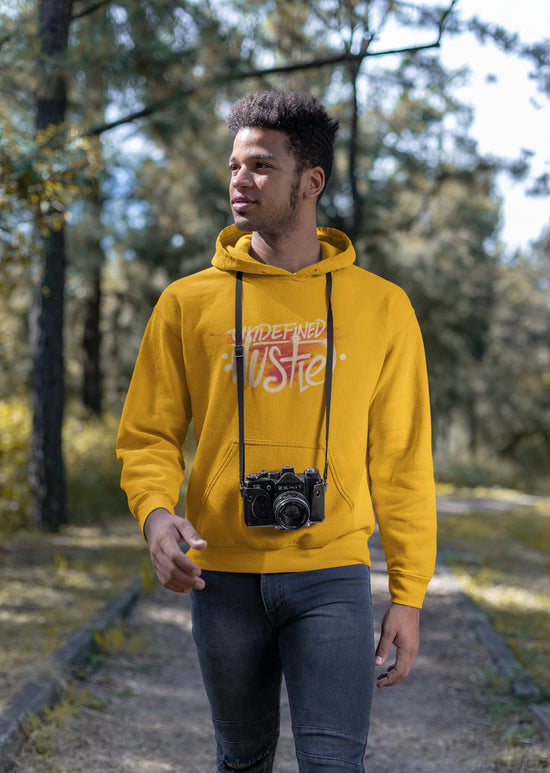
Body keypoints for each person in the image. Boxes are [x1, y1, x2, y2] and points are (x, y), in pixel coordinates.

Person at [116, 90, 437, 773]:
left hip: (331, 576)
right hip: (220, 579)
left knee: (334, 765)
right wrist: (156, 515)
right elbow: (148, 434)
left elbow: (402, 459)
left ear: (311, 181)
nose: (241, 179)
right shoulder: (186, 303)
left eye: (261, 165)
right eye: (235, 165)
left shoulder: (382, 307)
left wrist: (408, 595)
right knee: (241, 761)